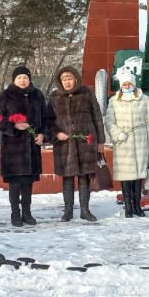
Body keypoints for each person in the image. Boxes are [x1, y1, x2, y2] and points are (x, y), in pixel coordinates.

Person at [47, 65, 106, 222]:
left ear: (75, 79)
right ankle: (68, 210)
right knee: (67, 177)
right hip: (64, 144)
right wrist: (56, 134)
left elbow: (97, 117)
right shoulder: (54, 97)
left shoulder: (87, 93)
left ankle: (85, 210)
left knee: (83, 176)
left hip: (85, 142)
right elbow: (47, 121)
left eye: (69, 78)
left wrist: (101, 140)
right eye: (63, 79)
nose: (67, 82)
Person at [0, 65, 48, 227]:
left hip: (32, 147)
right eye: (19, 78)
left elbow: (45, 117)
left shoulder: (37, 95)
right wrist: (14, 127)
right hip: (13, 147)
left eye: (25, 77)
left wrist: (42, 134)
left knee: (27, 182)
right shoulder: (6, 95)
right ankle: (15, 213)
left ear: (29, 79)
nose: (22, 80)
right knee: (15, 182)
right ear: (14, 80)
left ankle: (27, 212)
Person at [104, 71, 149, 217]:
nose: (127, 85)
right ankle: (128, 206)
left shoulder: (144, 99)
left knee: (139, 175)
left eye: (130, 83)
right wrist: (117, 134)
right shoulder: (114, 100)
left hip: (140, 143)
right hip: (123, 144)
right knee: (126, 176)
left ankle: (137, 205)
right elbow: (109, 121)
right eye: (125, 83)